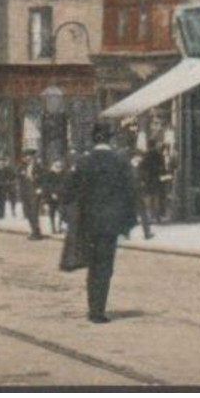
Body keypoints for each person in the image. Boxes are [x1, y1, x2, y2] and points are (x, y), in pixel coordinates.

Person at [71, 122, 139, 324]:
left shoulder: (83, 162)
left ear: (94, 139)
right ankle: (99, 310)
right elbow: (130, 193)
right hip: (110, 224)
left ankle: (93, 308)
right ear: (110, 139)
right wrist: (127, 224)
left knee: (93, 265)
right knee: (105, 266)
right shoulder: (120, 162)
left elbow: (70, 191)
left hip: (89, 223)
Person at [16, 150, 44, 240]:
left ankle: (36, 233)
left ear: (32, 157)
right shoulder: (22, 167)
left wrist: (40, 188)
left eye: (29, 156)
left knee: (34, 212)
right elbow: (18, 177)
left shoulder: (38, 167)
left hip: (34, 192)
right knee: (28, 213)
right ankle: (34, 230)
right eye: (25, 157)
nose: (27, 158)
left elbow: (44, 179)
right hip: (25, 193)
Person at [140, 141, 169, 224]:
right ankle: (157, 217)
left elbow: (141, 168)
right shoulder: (159, 155)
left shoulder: (145, 156)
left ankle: (149, 217)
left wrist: (142, 179)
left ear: (148, 146)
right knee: (157, 198)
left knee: (148, 198)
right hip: (157, 178)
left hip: (148, 179)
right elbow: (163, 168)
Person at [127, 151, 154, 240]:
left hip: (130, 190)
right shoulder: (141, 164)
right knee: (142, 212)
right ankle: (146, 232)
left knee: (129, 212)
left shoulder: (129, 164)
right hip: (138, 190)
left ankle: (126, 233)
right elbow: (142, 177)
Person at [42, 159, 66, 234]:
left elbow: (64, 185)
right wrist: (51, 194)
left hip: (61, 197)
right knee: (52, 213)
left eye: (60, 167)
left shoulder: (64, 175)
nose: (59, 169)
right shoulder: (49, 175)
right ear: (53, 166)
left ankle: (59, 226)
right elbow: (46, 186)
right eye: (57, 166)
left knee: (61, 213)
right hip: (51, 198)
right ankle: (53, 228)